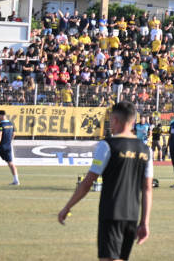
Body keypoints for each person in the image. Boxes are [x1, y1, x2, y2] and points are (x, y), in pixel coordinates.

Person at [58, 100, 153, 261]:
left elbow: (87, 183)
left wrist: (67, 207)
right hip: (132, 214)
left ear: (115, 120)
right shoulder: (146, 150)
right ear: (132, 121)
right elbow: (147, 188)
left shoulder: (107, 145)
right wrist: (145, 222)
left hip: (111, 212)